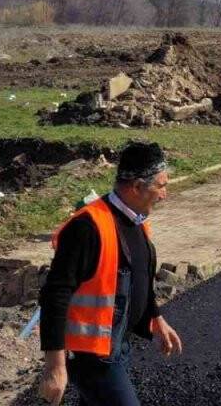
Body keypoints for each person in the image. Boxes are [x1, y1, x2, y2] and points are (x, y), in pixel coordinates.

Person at [38, 141, 183, 406]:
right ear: (137, 187)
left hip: (116, 348)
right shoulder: (87, 227)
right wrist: (55, 367)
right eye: (161, 186)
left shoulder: (136, 222)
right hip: (92, 357)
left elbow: (137, 276)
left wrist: (155, 318)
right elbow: (54, 295)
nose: (165, 194)